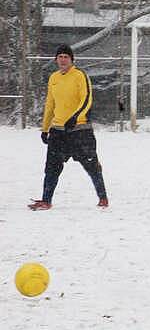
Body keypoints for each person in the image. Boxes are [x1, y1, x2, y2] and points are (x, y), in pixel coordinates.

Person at [28, 44, 108, 211]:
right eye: (60, 57)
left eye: (66, 57)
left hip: (80, 130)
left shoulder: (80, 76)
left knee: (91, 165)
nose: (63, 60)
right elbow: (50, 104)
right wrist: (45, 128)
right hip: (58, 131)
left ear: (72, 60)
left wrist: (75, 118)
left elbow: (86, 100)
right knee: (51, 167)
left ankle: (103, 197)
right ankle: (46, 200)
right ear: (56, 60)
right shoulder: (54, 78)